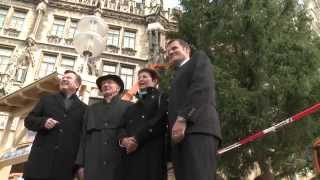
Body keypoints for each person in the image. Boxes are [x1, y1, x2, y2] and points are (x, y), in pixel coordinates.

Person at [166, 39, 222, 180]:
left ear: (187, 49)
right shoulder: (176, 76)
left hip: (197, 129)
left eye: (174, 48)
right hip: (180, 138)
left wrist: (182, 118)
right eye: (168, 51)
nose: (170, 52)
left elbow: (201, 88)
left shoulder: (199, 59)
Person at [23, 70, 87, 180]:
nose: (64, 79)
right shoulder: (46, 100)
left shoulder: (84, 109)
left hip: (64, 168)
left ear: (77, 85)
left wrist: (80, 166)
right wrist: (43, 122)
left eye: (69, 78)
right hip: (39, 164)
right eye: (63, 77)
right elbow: (28, 121)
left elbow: (83, 139)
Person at [76, 74, 131, 180]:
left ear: (118, 88)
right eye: (103, 84)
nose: (105, 85)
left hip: (120, 165)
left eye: (109, 82)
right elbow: (83, 137)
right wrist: (80, 165)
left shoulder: (129, 107)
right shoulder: (91, 109)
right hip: (92, 165)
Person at [119, 68, 168, 180]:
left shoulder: (161, 97)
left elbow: (158, 121)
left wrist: (136, 139)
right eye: (139, 77)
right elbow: (121, 126)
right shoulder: (131, 106)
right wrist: (123, 140)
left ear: (155, 81)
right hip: (130, 155)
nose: (141, 79)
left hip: (151, 154)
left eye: (144, 77)